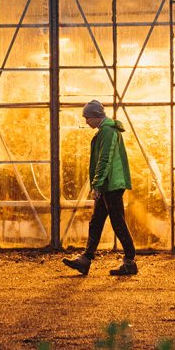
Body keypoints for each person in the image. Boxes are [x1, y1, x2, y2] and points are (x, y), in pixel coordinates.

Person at [63, 100, 137, 276]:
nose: (86, 121)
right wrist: (98, 184)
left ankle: (130, 261)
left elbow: (105, 159)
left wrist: (96, 185)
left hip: (112, 184)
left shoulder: (108, 131)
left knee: (117, 222)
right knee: (96, 221)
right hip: (107, 183)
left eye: (87, 117)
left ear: (96, 116)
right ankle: (86, 259)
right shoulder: (105, 131)